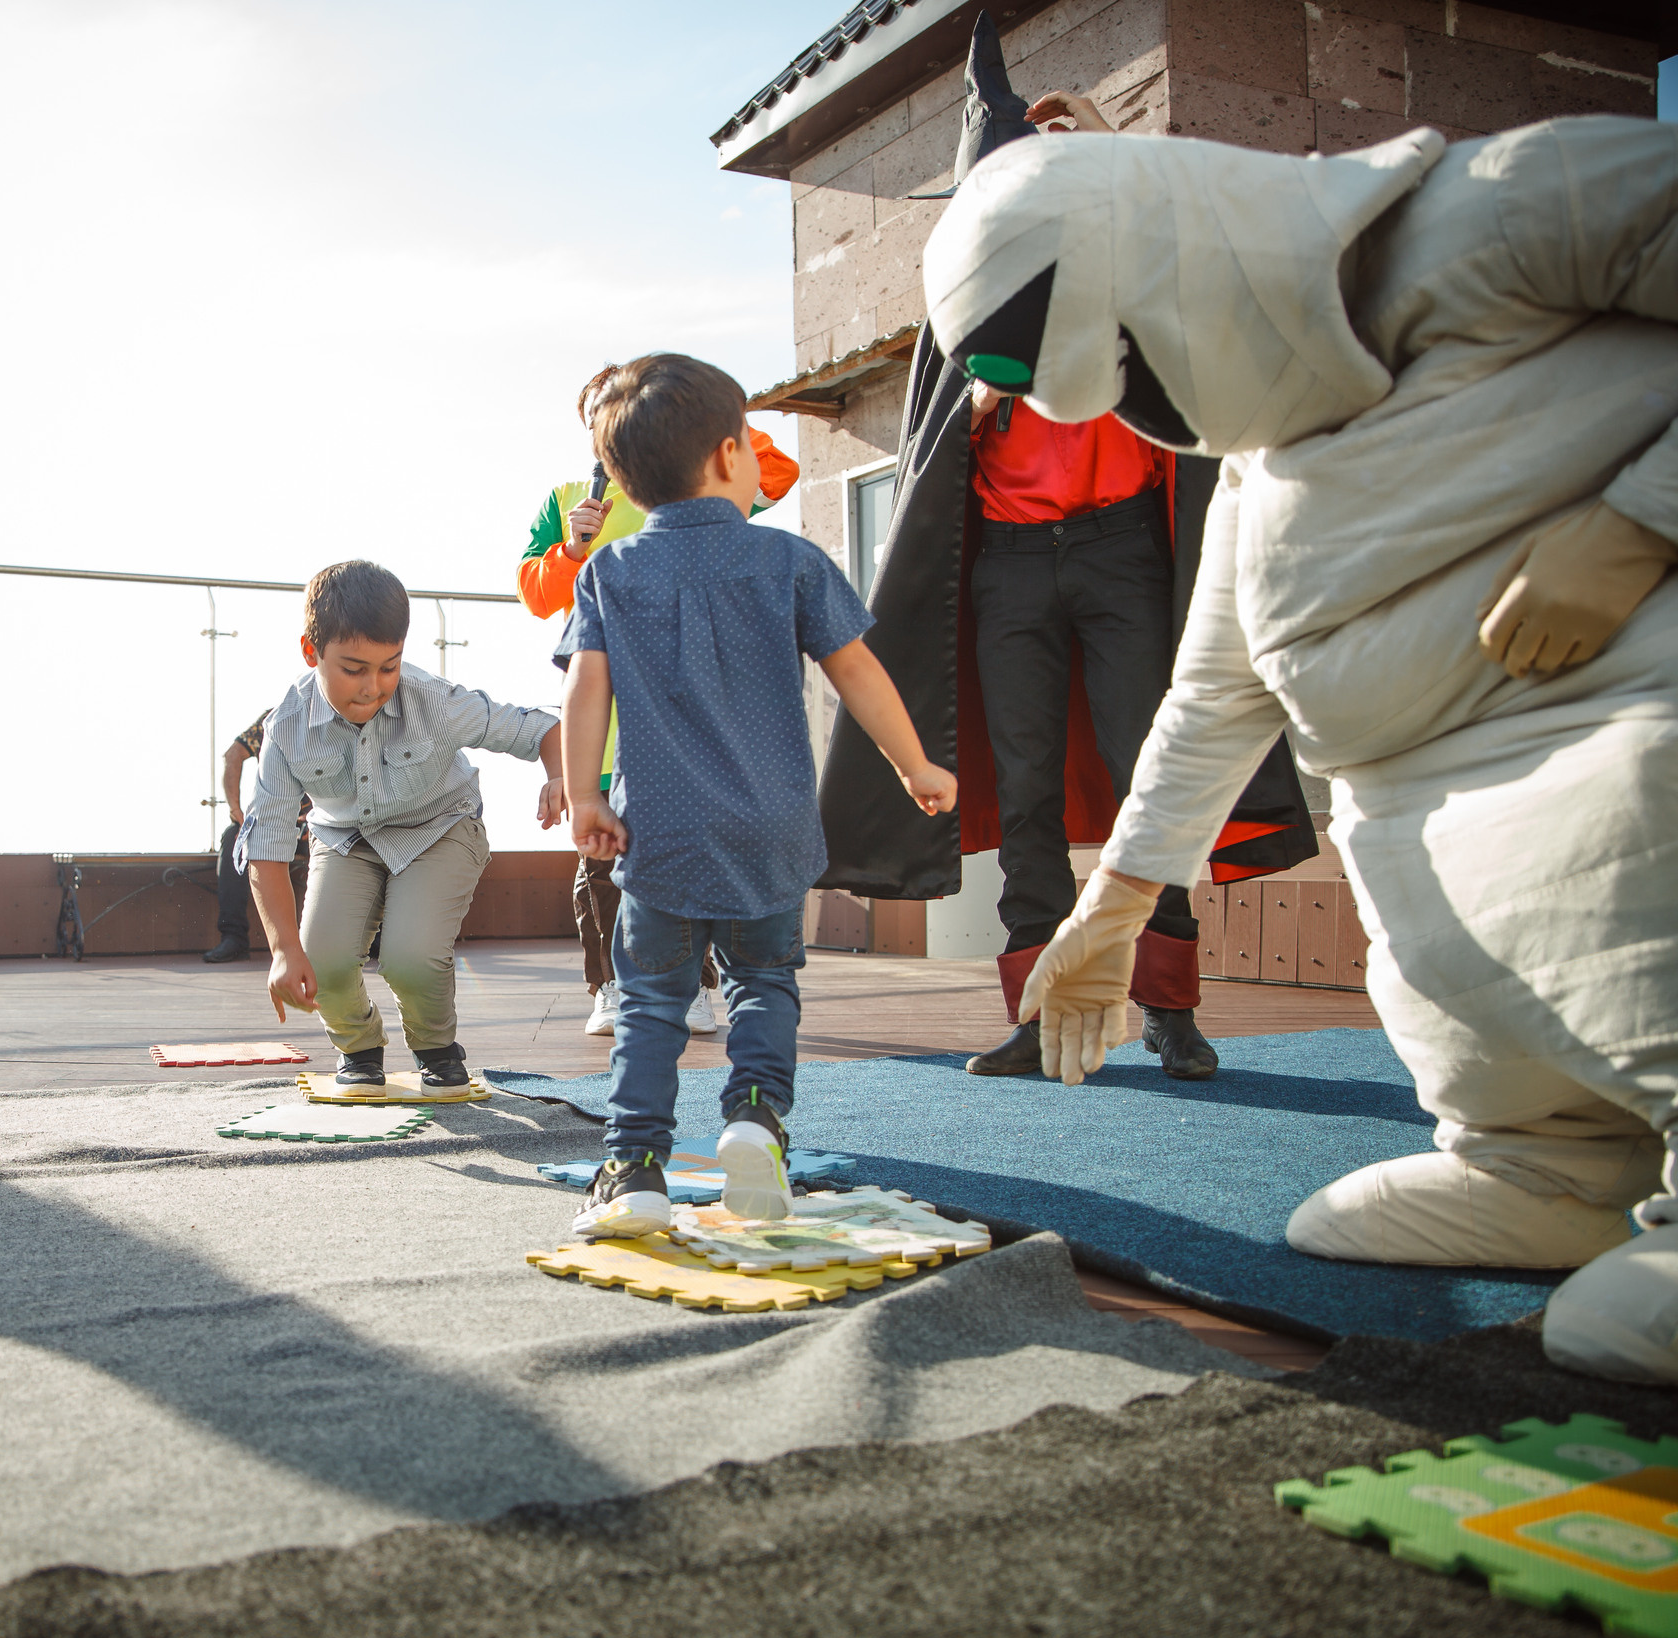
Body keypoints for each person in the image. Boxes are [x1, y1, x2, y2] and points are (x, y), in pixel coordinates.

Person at [932, 116, 1678, 1379]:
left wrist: (1638, 519)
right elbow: (1212, 699)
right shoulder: (1256, 477)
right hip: (1408, 808)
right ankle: (1547, 1163)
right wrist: (1111, 909)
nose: (1152, 412)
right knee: (1429, 933)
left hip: (1620, 723)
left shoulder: (1506, 202)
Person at [813, 12, 1314, 1084]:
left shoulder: (1136, 269)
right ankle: (1036, 1014)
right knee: (1030, 790)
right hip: (1007, 563)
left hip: (1126, 549)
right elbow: (936, 447)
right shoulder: (971, 296)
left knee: (1153, 774)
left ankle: (1169, 1007)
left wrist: (1090, 140)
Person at [563, 354, 956, 1238]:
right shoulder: (788, 559)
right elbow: (856, 668)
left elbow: (586, 690)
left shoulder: (610, 571)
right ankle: (754, 1120)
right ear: (733, 454)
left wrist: (584, 795)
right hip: (771, 826)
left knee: (652, 1002)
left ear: (627, 481)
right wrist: (913, 765)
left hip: (657, 830)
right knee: (763, 983)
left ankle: (633, 1168)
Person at [517, 371, 799, 1038]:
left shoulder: (697, 481)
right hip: (605, 710)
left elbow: (778, 471)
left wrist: (697, 419)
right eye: (600, 412)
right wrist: (571, 547)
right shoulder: (565, 500)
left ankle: (694, 988)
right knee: (603, 863)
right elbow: (535, 593)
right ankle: (612, 987)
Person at [244, 561, 566, 1100]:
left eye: (389, 667)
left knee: (410, 957)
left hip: (440, 826)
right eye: (354, 669)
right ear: (310, 652)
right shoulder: (286, 727)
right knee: (319, 957)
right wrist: (282, 951)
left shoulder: (434, 700)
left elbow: (542, 726)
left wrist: (560, 776)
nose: (374, 688)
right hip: (345, 837)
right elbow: (266, 848)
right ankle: (359, 1049)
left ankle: (437, 1051)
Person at [205, 711, 307, 964]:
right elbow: (233, 754)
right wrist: (235, 810)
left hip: (325, 823)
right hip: (273, 822)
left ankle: (373, 939)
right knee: (234, 840)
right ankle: (233, 938)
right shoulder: (279, 717)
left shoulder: (347, 715)